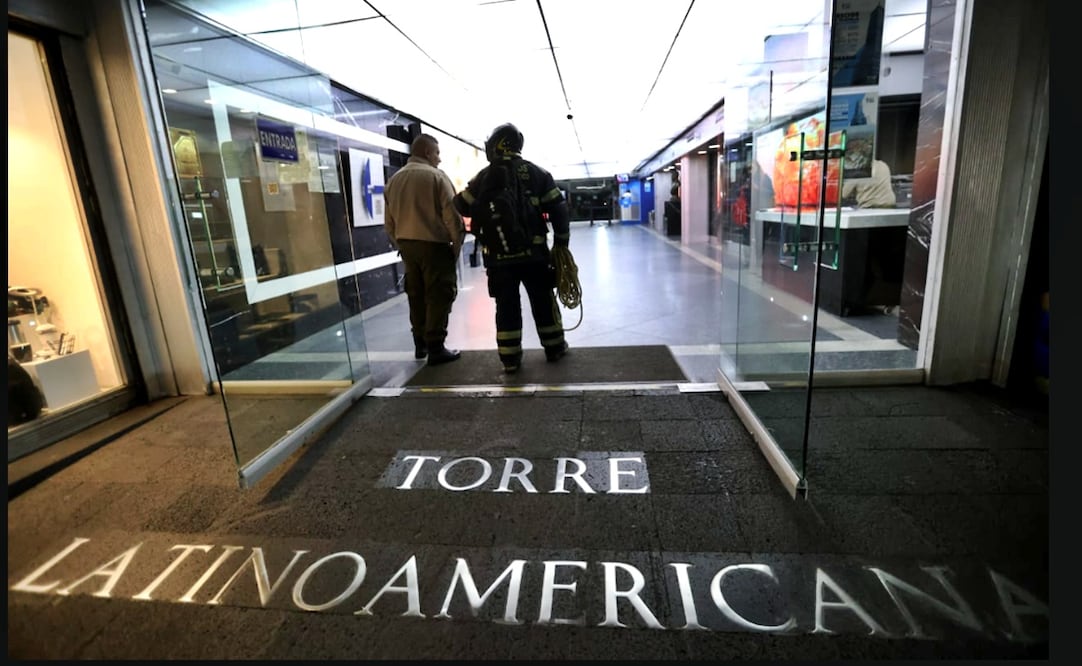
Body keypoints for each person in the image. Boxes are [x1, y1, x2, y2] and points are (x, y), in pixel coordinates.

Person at [453, 122, 571, 374]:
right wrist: (561, 244)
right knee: (543, 301)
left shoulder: (484, 176)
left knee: (506, 306)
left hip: (498, 259)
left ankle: (510, 359)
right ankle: (554, 347)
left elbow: (462, 205)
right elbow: (559, 209)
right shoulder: (537, 173)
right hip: (535, 256)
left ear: (495, 146)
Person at [383, 133, 467, 366]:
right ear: (428, 153)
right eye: (437, 153)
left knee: (416, 294)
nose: (439, 159)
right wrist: (456, 246)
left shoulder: (394, 180)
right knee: (439, 294)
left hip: (407, 247)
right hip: (434, 246)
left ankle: (419, 343)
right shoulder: (436, 177)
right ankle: (436, 346)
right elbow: (452, 217)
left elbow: (388, 223)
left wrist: (401, 245)